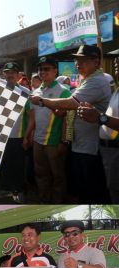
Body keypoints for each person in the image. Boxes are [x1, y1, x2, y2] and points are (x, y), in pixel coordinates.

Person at [29, 45, 111, 203]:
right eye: (76, 60)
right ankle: (46, 201)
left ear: (96, 62)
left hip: (90, 148)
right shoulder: (86, 80)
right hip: (78, 145)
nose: (78, 64)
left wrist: (41, 101)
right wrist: (59, 111)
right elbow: (68, 110)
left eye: (83, 60)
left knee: (89, 190)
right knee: (77, 187)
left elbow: (70, 103)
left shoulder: (96, 81)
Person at [77, 49, 119, 203]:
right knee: (112, 192)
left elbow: (104, 118)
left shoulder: (101, 81)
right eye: (115, 58)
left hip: (115, 150)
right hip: (108, 150)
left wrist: (100, 117)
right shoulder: (117, 90)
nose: (116, 61)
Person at [26, 56, 69, 203]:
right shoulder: (36, 92)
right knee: (41, 174)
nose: (43, 72)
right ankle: (44, 200)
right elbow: (33, 117)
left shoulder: (64, 91)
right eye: (40, 69)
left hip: (54, 141)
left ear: (55, 71)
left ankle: (57, 203)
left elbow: (67, 119)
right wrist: (29, 135)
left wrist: (64, 141)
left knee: (58, 176)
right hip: (38, 141)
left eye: (47, 69)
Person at [0, 62, 34, 203]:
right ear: (3, 74)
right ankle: (5, 188)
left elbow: (31, 117)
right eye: (7, 72)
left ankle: (19, 190)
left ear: (18, 75)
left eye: (13, 73)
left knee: (18, 165)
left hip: (18, 136)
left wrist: (27, 136)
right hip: (2, 136)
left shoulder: (26, 92)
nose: (9, 75)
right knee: (4, 164)